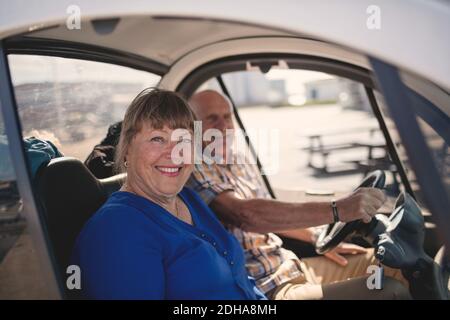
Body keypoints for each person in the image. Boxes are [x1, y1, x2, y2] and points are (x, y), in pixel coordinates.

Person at [187, 90, 410, 300]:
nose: (224, 126)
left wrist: (316, 238)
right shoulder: (191, 167)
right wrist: (338, 209)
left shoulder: (238, 160)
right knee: (389, 291)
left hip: (289, 266)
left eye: (227, 116)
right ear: (191, 127)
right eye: (212, 119)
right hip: (264, 287)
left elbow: (272, 218)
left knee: (396, 263)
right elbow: (246, 215)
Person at [71, 88, 266, 300]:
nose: (175, 153)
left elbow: (240, 280)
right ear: (127, 148)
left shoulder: (189, 198)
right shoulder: (117, 228)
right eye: (157, 139)